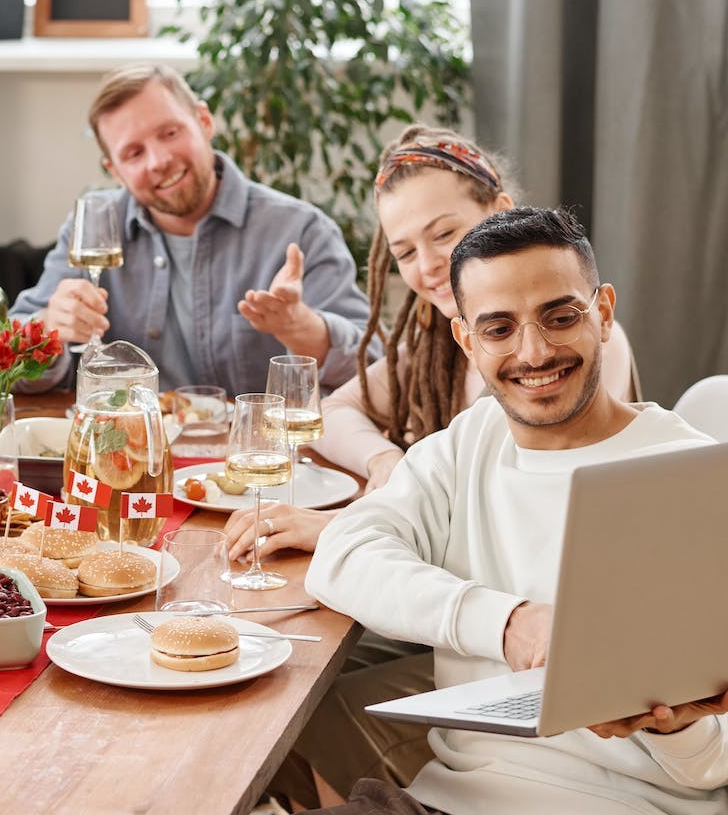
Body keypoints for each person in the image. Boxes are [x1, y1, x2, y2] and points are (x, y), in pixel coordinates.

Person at [97, 207, 728, 815]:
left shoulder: (697, 476)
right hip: (429, 814)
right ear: (466, 339)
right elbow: (344, 552)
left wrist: (678, 723)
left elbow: (726, 753)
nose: (534, 350)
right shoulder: (471, 443)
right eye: (500, 327)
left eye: (560, 316)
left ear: (602, 314)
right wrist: (506, 623)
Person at [224, 126, 636, 563]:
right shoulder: (442, 344)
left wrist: (339, 527)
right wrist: (383, 459)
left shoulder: (580, 345)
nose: (429, 265)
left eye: (443, 235)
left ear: (500, 212)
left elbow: (519, 519)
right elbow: (335, 410)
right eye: (404, 253)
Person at [9, 63, 374, 396]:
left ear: (204, 121)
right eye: (134, 154)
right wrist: (48, 329)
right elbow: (7, 363)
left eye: (169, 132)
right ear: (114, 170)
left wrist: (304, 328)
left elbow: (374, 366)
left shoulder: (301, 230)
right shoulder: (92, 230)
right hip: (123, 455)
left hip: (253, 458)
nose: (159, 161)